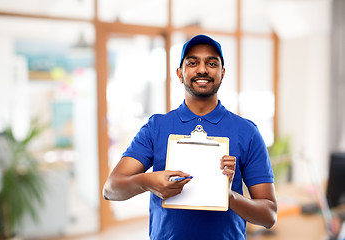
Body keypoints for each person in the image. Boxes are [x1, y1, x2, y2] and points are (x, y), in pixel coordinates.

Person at [103, 34, 277, 239]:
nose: (202, 69)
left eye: (211, 63)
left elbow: (269, 216)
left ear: (222, 72)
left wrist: (227, 196)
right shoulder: (156, 127)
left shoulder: (247, 132)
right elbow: (111, 189)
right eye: (193, 63)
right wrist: (147, 181)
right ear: (179, 73)